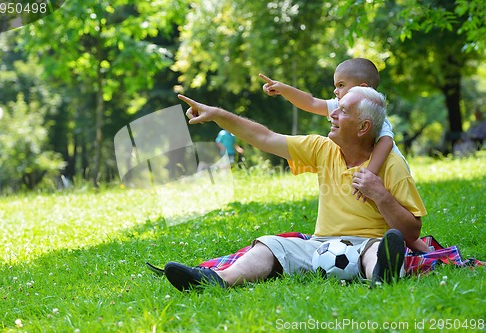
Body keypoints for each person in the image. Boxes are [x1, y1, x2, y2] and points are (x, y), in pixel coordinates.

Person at [163, 86, 428, 291]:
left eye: (343, 110)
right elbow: (265, 137)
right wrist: (218, 115)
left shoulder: (392, 166)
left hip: (367, 244)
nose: (332, 114)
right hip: (319, 247)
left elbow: (412, 231)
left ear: (363, 127)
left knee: (375, 251)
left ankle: (383, 273)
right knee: (270, 245)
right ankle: (216, 279)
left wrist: (380, 195)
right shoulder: (322, 148)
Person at [260, 58, 429, 253]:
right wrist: (283, 89)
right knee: (382, 219)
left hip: (384, 170)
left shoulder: (371, 113)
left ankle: (424, 251)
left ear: (362, 87)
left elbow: (386, 142)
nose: (335, 91)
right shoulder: (341, 106)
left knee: (393, 221)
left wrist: (369, 174)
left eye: (341, 85)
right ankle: (414, 249)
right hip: (367, 172)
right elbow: (311, 102)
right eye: (335, 86)